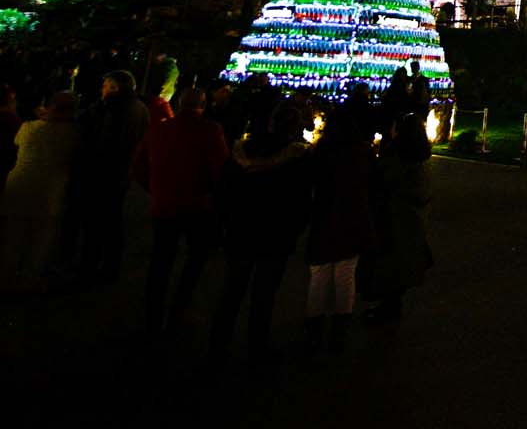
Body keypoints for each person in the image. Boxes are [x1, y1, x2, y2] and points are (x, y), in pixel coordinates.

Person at [210, 103, 311, 364]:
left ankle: (218, 343)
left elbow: (223, 189)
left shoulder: (242, 150)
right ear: (295, 127)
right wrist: (294, 229)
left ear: (270, 123)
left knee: (231, 290)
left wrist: (225, 222)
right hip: (276, 235)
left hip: (241, 229)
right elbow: (301, 200)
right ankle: (257, 345)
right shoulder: (298, 158)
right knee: (264, 294)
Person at [133, 86, 229, 332]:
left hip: (164, 204)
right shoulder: (209, 131)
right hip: (198, 206)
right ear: (203, 105)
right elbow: (221, 171)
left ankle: (152, 313)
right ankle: (179, 309)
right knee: (194, 260)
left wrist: (155, 190)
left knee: (161, 259)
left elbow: (140, 166)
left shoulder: (160, 130)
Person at [304, 105, 376, 353]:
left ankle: (314, 330)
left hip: (324, 217)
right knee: (346, 274)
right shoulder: (363, 152)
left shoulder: (321, 152)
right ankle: (339, 331)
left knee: (320, 274)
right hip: (352, 217)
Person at [358, 112, 434, 322]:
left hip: (395, 219)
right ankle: (391, 306)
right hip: (412, 221)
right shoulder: (421, 155)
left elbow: (381, 182)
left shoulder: (397, 156)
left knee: (390, 265)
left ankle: (387, 309)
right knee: (400, 265)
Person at [74, 70, 149, 281]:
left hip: (104, 173)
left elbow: (102, 143)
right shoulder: (141, 108)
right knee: (113, 220)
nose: (102, 89)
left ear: (115, 88)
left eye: (106, 86)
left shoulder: (113, 109)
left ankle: (89, 266)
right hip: (123, 172)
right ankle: (110, 265)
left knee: (96, 222)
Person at [0, 91, 78, 289]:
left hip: (20, 185)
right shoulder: (74, 134)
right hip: (50, 191)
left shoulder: (29, 127)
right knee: (40, 241)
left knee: (14, 237)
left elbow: (17, 143)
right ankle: (28, 280)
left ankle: (7, 278)